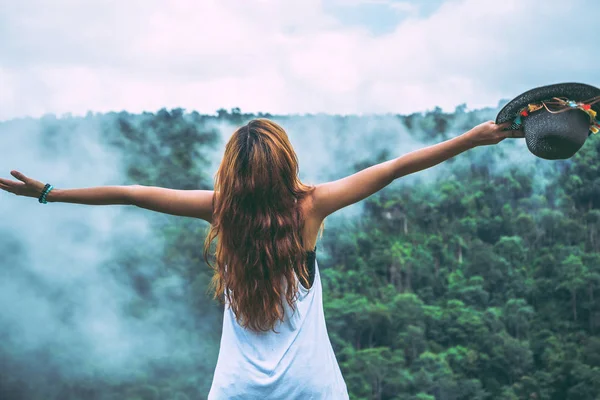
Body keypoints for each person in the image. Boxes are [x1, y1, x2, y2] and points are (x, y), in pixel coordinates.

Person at [0, 118, 523, 399]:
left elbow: (133, 192)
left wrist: (49, 192)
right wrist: (473, 139)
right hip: (313, 390)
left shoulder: (217, 211)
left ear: (232, 173)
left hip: (237, 390)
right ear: (286, 164)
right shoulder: (311, 207)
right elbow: (394, 168)